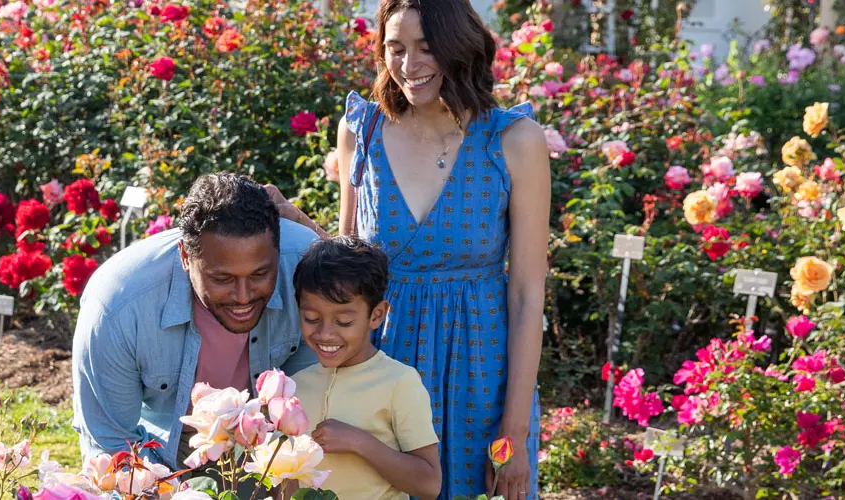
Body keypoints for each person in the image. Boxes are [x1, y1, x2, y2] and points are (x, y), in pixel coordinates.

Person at [332, 0, 551, 498]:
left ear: (460, 45)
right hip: (381, 368)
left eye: (427, 47)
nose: (410, 65)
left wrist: (513, 429)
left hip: (480, 374)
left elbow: (526, 295)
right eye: (396, 48)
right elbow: (341, 272)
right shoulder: (359, 133)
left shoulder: (513, 141)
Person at [71, 172, 326, 469]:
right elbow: (112, 445)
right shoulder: (117, 307)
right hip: (163, 448)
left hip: (269, 439)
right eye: (222, 278)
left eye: (259, 274)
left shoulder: (304, 267)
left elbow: (318, 390)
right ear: (185, 256)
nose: (243, 297)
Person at [292, 237, 441, 500]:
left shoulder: (400, 383)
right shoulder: (294, 386)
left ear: (377, 315)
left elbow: (429, 484)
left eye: (344, 321)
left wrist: (360, 443)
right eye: (311, 318)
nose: (325, 333)